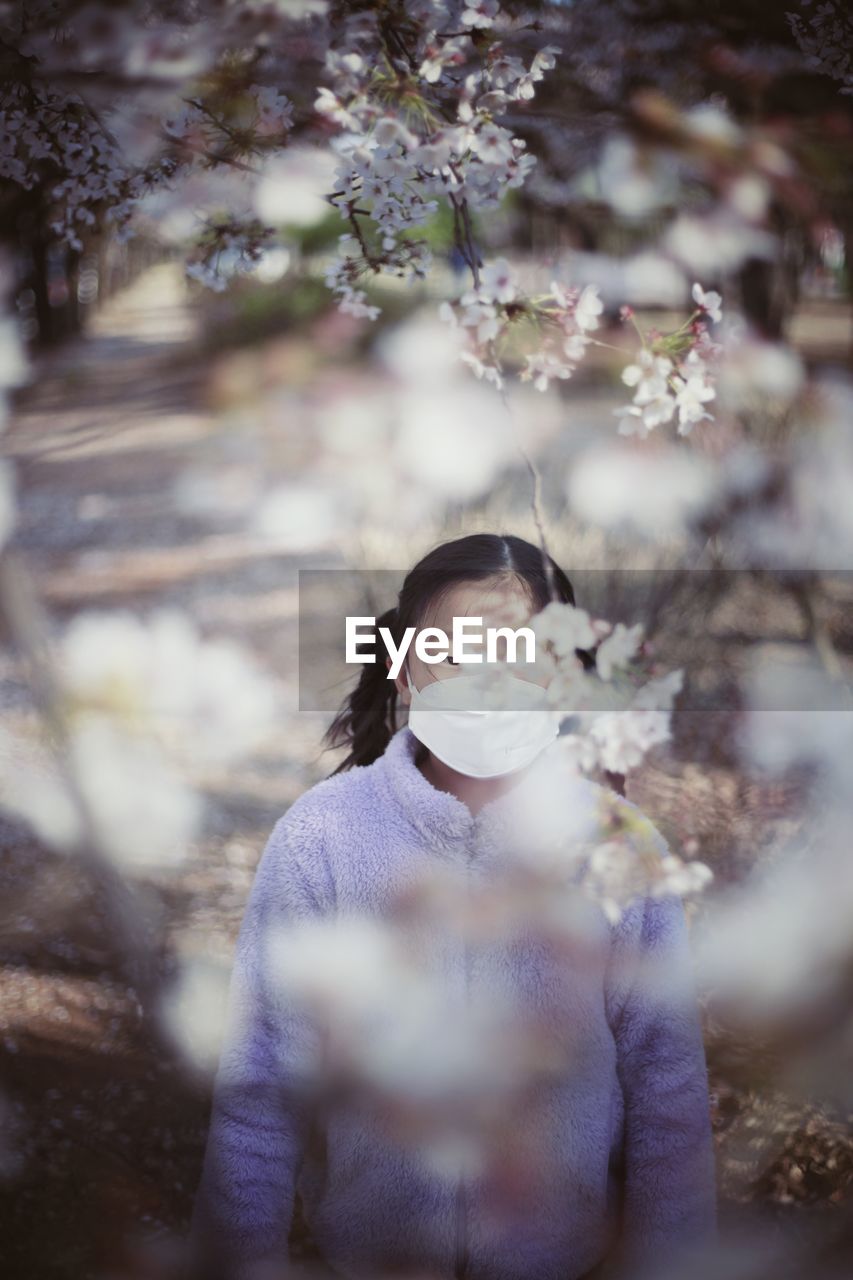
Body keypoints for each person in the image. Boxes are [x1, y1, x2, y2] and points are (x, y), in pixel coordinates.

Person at [187, 532, 717, 1280]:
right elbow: (261, 1082)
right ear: (403, 668)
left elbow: (665, 1093)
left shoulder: (619, 848)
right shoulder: (321, 837)